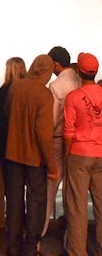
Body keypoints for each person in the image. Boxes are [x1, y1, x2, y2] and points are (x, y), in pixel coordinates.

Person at [5, 54, 57, 256]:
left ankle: (13, 247)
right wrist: (52, 165)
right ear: (47, 72)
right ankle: (30, 252)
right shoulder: (44, 94)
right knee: (36, 201)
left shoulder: (15, 87)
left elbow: (7, 114)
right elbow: (44, 135)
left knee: (15, 200)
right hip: (35, 157)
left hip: (12, 153)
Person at [62, 52, 102, 256]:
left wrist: (66, 156)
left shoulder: (74, 96)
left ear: (78, 72)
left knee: (77, 208)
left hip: (79, 153)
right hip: (101, 155)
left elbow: (68, 131)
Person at [42, 46, 80, 237]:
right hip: (79, 144)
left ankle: (37, 237)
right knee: (73, 196)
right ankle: (70, 241)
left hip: (58, 141)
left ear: (56, 64)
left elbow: (52, 119)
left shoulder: (56, 86)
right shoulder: (79, 81)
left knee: (48, 193)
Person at [0, 57, 27, 229]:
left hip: (2, 144)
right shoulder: (26, 91)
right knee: (19, 187)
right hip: (22, 145)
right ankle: (20, 223)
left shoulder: (1, 93)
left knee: (1, 187)